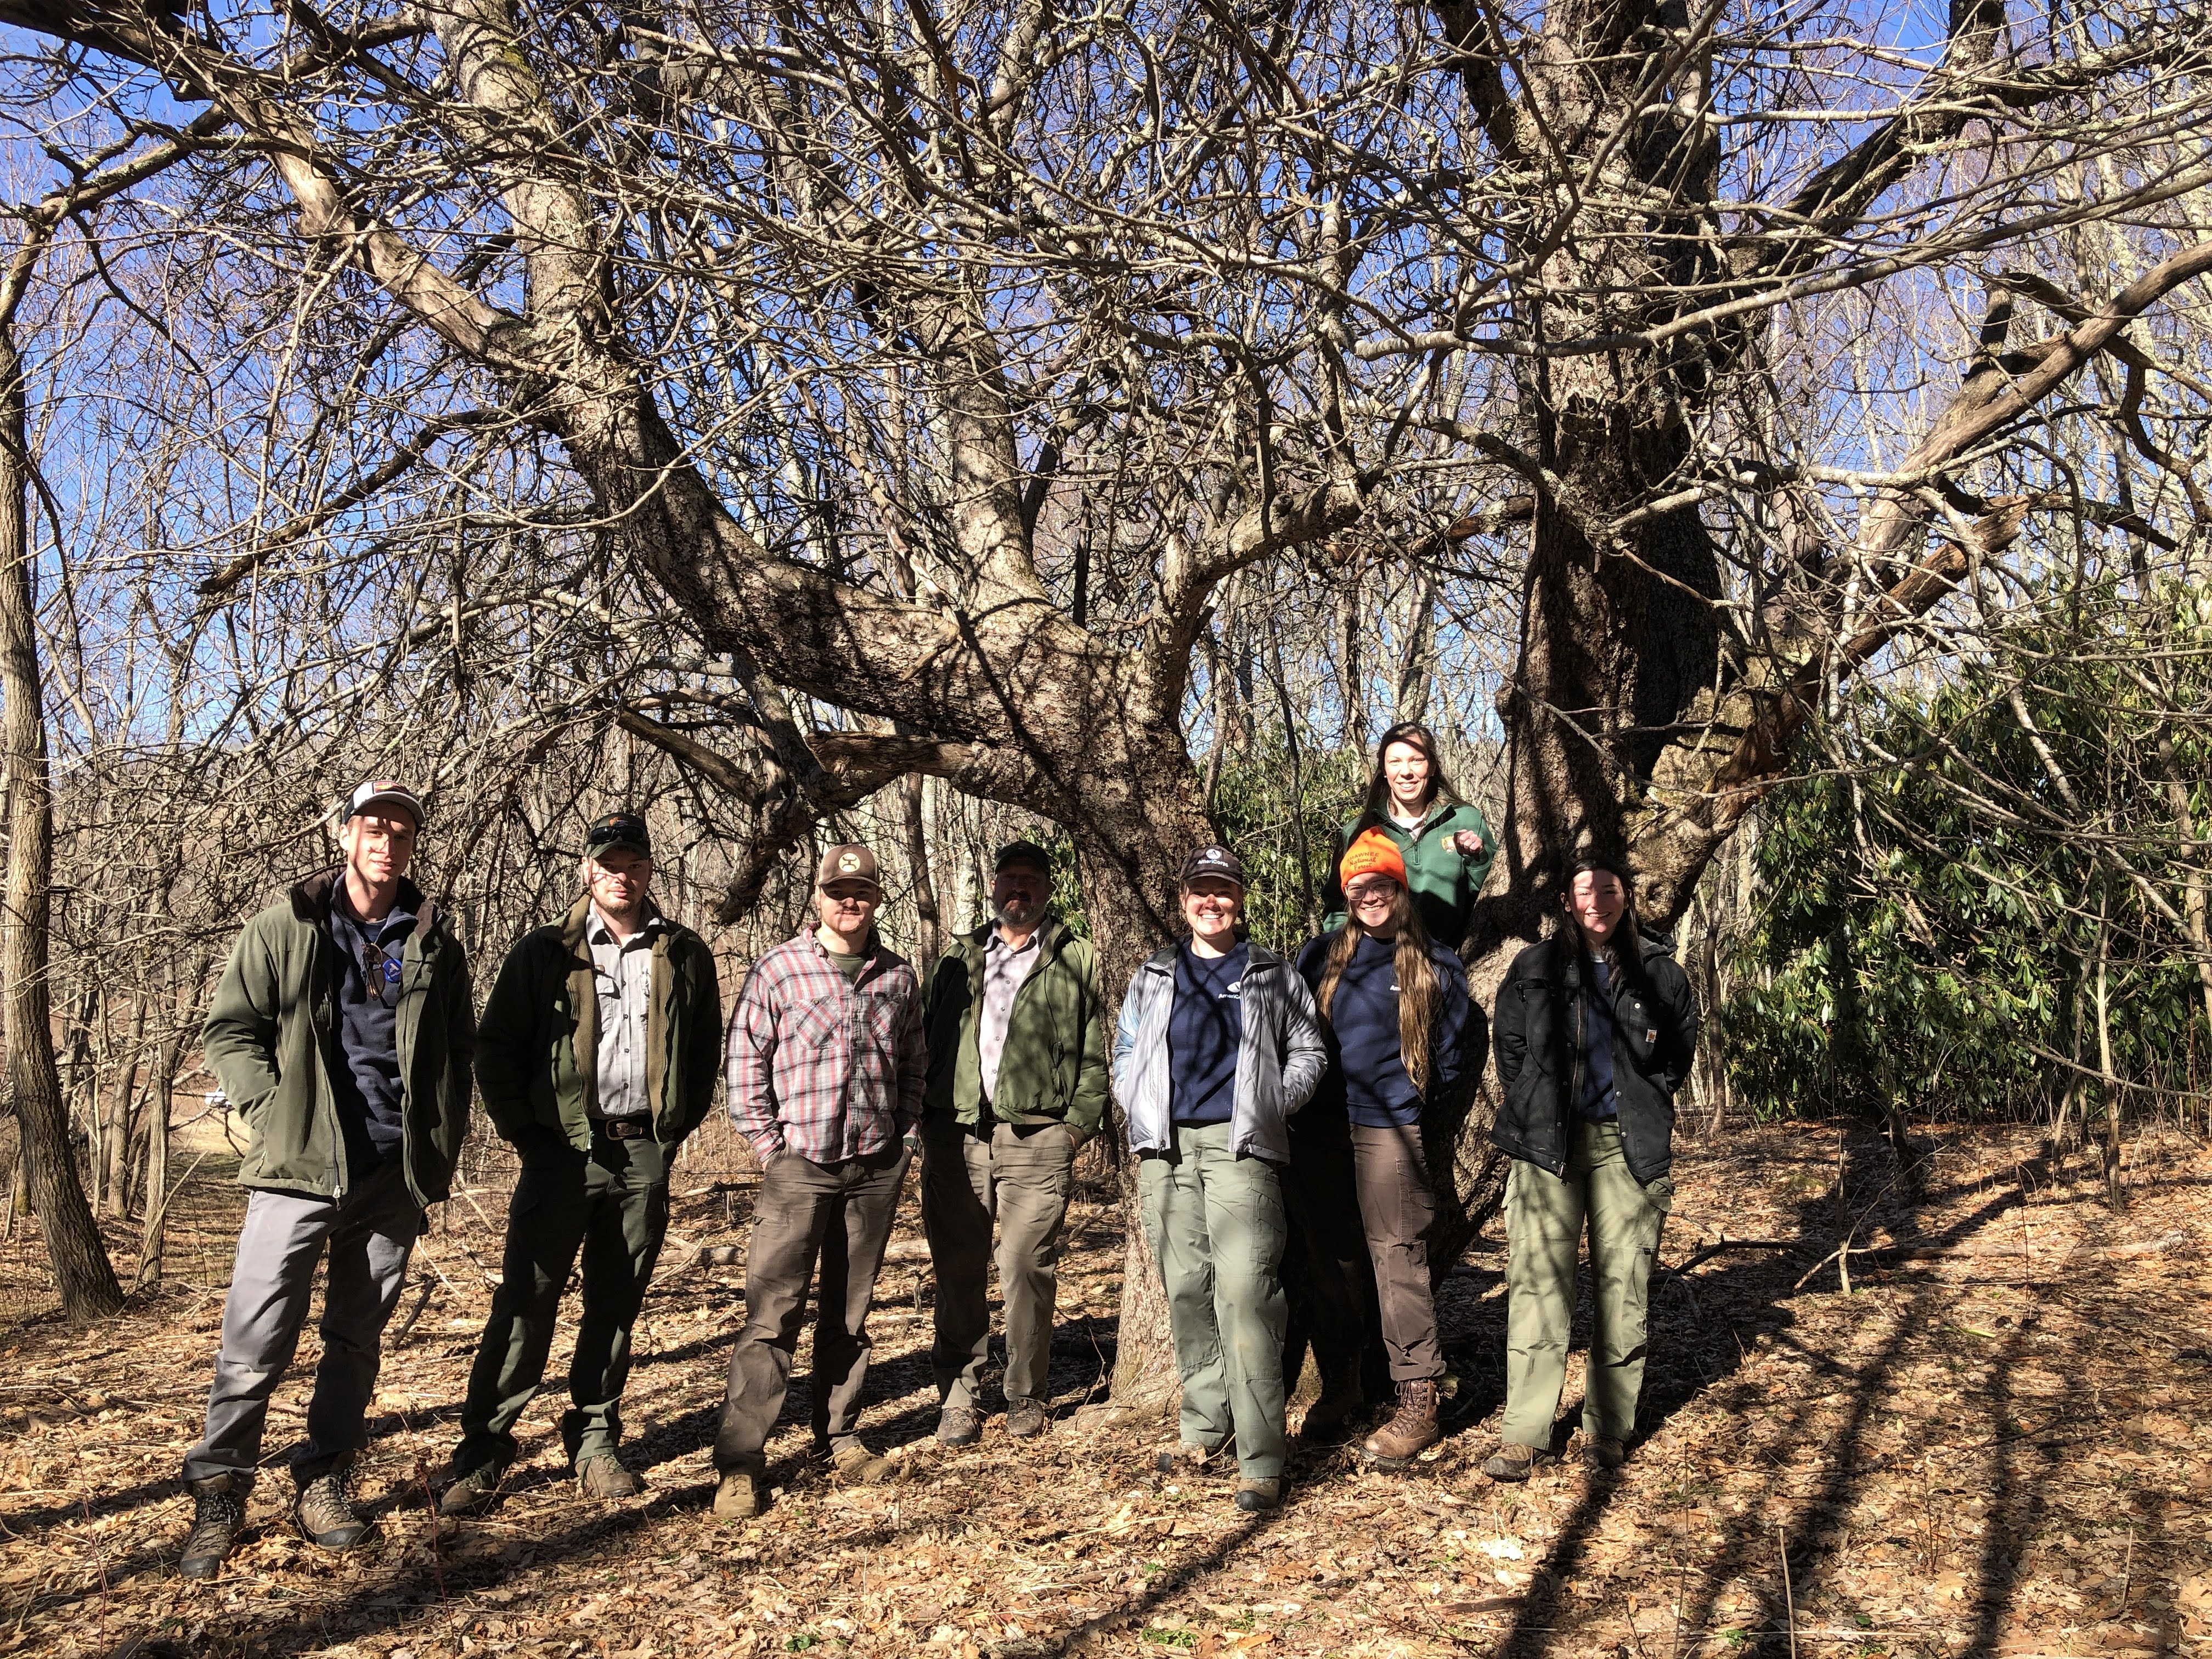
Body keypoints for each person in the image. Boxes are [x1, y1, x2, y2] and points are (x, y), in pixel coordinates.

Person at [177, 780, 475, 1579]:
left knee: (355, 1340)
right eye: (373, 827)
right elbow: (231, 1029)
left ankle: (325, 1479)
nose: (387, 841)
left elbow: (457, 1054)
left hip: (390, 1174)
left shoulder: (435, 941)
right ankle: (220, 1490)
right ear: (344, 836)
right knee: (255, 1338)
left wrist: (436, 1153)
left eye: (402, 832)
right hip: (298, 1169)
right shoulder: (289, 925)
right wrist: (272, 1114)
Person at [438, 812, 724, 1515]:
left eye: (633, 862)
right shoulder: (544, 952)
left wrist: (670, 1134)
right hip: (562, 1154)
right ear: (587, 870)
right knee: (527, 1302)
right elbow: (496, 1050)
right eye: (608, 862)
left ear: (650, 870)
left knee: (616, 1304)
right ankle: (485, 1449)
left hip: (642, 1155)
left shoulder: (685, 953)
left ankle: (595, 1441)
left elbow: (702, 1052)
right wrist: (528, 1137)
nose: (620, 874)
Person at [712, 843, 926, 1519]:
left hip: (873, 1165)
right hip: (799, 1167)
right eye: (838, 891)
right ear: (817, 897)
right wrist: (769, 1148)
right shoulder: (779, 969)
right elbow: (744, 1061)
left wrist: (906, 1134)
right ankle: (742, 1462)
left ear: (877, 898)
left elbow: (917, 1062)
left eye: (861, 890)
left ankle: (838, 1435)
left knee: (851, 1313)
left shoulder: (897, 977)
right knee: (772, 1316)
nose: (849, 901)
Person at [1114, 844, 1326, 1514]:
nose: (1213, 902)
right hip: (1166, 1152)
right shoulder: (1154, 973)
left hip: (1241, 1151)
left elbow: (1309, 1049)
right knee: (1185, 1287)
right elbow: (1125, 1049)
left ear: (1239, 899)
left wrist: (1271, 1101)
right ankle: (1205, 1425)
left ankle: (1261, 1457)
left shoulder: (1270, 972)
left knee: (1246, 1292)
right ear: (1183, 900)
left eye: (1224, 891)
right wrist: (1135, 1098)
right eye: (1201, 891)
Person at [1485, 856, 1700, 1481]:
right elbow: (1512, 1050)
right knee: (1538, 1288)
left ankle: (1606, 1430)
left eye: (1609, 890)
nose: (1597, 901)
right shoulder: (1534, 968)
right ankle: (1525, 1434)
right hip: (1548, 1145)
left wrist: (1642, 1103)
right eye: (1585, 890)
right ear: (1566, 900)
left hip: (1627, 1146)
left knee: (1623, 1289)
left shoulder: (1661, 973)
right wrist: (1535, 1097)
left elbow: (1675, 1057)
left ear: (1626, 897)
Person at [921, 839, 1109, 1445]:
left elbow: (1098, 1052)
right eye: (1009, 879)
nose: (1018, 889)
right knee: (957, 1268)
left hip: (1039, 1138)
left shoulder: (1077, 957)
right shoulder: (960, 957)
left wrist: (1074, 1129)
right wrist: (927, 1122)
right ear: (994, 886)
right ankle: (958, 1395)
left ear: (1048, 889)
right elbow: (924, 1043)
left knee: (1026, 1265)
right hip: (958, 1137)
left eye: (1031, 879)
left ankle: (1026, 1392)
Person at [1293, 830, 1471, 1466]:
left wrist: (1412, 1104)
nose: (1371, 896)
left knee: (1398, 1258)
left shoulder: (1437, 963)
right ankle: (1344, 1385)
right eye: (1359, 887)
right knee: (1331, 1260)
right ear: (1347, 894)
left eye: (1382, 885)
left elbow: (1452, 1059)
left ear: (1401, 888)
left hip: (1388, 1128)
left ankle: (1418, 1398)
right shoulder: (1318, 958)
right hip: (1318, 1131)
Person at [1319, 721, 1495, 951]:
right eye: (1395, 762)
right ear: (1383, 770)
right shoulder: (1359, 832)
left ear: (1432, 767)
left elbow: (1494, 895)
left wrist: (1477, 859)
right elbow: (1337, 905)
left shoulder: (1466, 820)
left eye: (1416, 760)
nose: (1406, 772)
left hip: (1452, 966)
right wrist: (1350, 955)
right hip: (1378, 968)